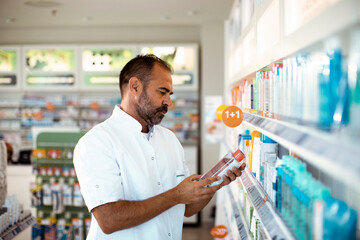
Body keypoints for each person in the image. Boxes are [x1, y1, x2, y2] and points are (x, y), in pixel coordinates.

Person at [73, 54, 245, 239]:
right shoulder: (97, 142)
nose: (168, 102)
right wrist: (175, 195)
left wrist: (213, 184)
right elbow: (109, 220)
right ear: (135, 87)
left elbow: (186, 208)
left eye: (170, 94)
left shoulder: (169, 140)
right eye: (162, 92)